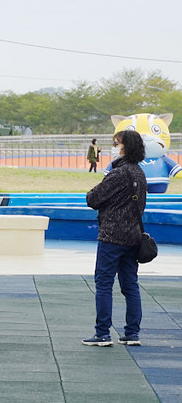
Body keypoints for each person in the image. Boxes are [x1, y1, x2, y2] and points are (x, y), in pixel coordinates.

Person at [83, 129, 147, 346]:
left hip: (112, 236)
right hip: (133, 236)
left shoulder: (118, 173)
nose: (114, 147)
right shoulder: (139, 172)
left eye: (116, 143)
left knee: (103, 284)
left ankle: (102, 333)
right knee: (130, 285)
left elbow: (92, 198)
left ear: (124, 147)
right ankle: (132, 333)